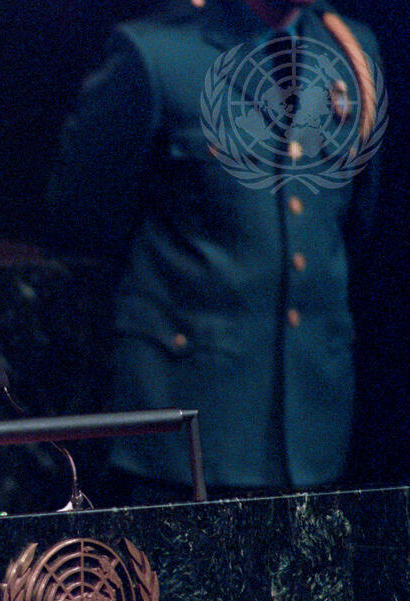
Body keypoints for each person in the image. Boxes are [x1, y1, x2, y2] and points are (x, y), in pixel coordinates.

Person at [46, 0, 381, 502]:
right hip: (192, 419)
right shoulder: (159, 53)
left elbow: (355, 221)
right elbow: (83, 220)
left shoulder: (350, 52)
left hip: (314, 416)